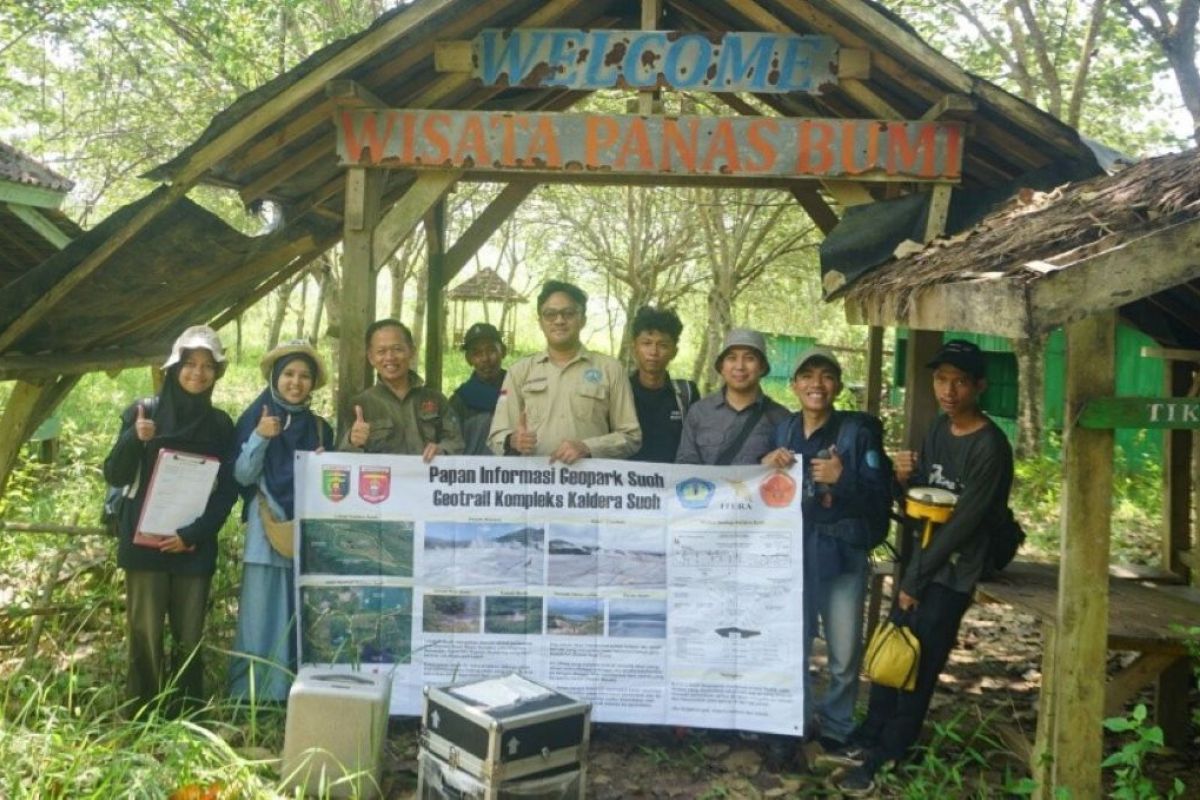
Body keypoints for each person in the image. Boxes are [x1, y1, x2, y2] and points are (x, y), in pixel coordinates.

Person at [836, 340, 1014, 795]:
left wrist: (913, 580)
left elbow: (963, 525)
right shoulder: (939, 429)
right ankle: (869, 734)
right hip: (921, 563)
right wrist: (903, 479)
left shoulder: (990, 446)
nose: (948, 390)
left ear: (979, 386)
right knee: (892, 653)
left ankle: (889, 754)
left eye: (959, 381)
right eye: (941, 380)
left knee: (921, 663)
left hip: (955, 571)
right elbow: (921, 503)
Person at [760, 347, 892, 758]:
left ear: (836, 385)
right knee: (792, 642)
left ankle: (836, 728)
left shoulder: (857, 433)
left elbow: (881, 495)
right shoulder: (783, 431)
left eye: (827, 376)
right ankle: (795, 719)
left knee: (843, 648)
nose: (817, 384)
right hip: (794, 551)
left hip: (842, 553)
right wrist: (766, 465)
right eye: (807, 376)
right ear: (794, 385)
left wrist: (843, 476)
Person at [103, 325, 239, 713]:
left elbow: (227, 490)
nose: (197, 373)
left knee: (189, 634)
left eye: (207, 366)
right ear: (173, 368)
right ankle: (142, 714)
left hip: (193, 544)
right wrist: (135, 438)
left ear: (217, 373)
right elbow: (114, 474)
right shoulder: (144, 411)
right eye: (190, 364)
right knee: (144, 632)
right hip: (142, 541)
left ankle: (186, 714)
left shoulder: (220, 425)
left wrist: (194, 533)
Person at [230, 340, 334, 705]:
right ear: (275, 377)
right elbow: (241, 476)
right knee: (260, 618)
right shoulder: (255, 416)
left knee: (298, 616)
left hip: (306, 535)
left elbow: (331, 488)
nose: (296, 382)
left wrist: (324, 465)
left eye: (304, 376)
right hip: (266, 530)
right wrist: (261, 436)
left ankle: (293, 695)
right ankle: (252, 700)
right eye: (288, 374)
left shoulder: (320, 428)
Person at [488, 280, 640, 462]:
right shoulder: (518, 372)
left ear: (582, 319)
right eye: (550, 314)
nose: (559, 320)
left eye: (568, 313)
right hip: (533, 485)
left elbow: (631, 436)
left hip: (591, 484)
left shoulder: (611, 369)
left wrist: (587, 447)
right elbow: (496, 435)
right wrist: (512, 440)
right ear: (540, 322)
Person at [340, 319, 464, 459]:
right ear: (371, 357)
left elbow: (456, 442)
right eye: (381, 351)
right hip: (380, 480)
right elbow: (340, 460)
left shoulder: (436, 400)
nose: (390, 357)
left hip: (428, 478)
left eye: (397, 349)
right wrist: (352, 442)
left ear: (412, 351)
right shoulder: (360, 405)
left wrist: (441, 450)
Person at [676, 328, 788, 465]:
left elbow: (789, 473)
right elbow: (685, 466)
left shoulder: (781, 418)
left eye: (749, 358)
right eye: (732, 358)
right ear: (722, 367)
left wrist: (764, 467)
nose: (739, 366)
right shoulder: (699, 412)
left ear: (762, 367)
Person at [628, 306, 698, 463]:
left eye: (663, 345)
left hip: (671, 484)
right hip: (625, 483)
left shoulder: (686, 393)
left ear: (674, 351)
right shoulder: (619, 391)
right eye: (646, 343)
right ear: (634, 348)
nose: (653, 352)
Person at [449, 322, 507, 456]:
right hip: (475, 472)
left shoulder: (519, 388)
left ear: (503, 351)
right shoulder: (461, 400)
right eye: (477, 353)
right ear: (469, 359)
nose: (485, 359)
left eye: (491, 350)